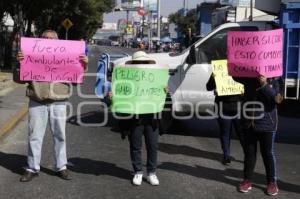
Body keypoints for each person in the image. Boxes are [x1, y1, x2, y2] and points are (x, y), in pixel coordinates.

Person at [16, 30, 88, 182]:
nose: (48, 40)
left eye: (51, 38)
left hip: (59, 101)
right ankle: (32, 168)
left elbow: (77, 79)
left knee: (60, 135)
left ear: (57, 41)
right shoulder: (31, 55)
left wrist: (83, 65)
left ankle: (61, 167)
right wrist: (19, 64)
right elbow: (19, 79)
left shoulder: (67, 56)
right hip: (38, 101)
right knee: (34, 136)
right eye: (44, 38)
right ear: (39, 40)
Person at [109, 51, 167, 186]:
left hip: (152, 118)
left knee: (152, 146)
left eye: (143, 62)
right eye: (138, 62)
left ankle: (152, 172)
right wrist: (112, 97)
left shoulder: (155, 76)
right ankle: (138, 172)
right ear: (133, 64)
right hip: (134, 119)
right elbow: (119, 96)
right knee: (135, 146)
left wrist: (164, 92)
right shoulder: (126, 78)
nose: (141, 64)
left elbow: (162, 98)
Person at [237, 76, 283, 196]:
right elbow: (235, 76)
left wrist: (264, 84)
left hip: (267, 123)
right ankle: (247, 180)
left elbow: (277, 99)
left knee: (268, 153)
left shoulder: (276, 79)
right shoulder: (248, 77)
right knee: (249, 153)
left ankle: (272, 182)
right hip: (249, 122)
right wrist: (232, 62)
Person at [207, 75, 244, 165]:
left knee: (228, 133)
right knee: (238, 133)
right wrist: (213, 78)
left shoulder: (221, 69)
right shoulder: (239, 70)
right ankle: (228, 155)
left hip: (230, 107)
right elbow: (209, 87)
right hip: (230, 107)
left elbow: (209, 87)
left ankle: (227, 155)